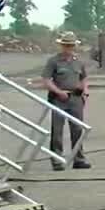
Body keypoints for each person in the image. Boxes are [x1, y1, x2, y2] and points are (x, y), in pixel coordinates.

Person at [41, 31, 92, 170]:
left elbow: (84, 78)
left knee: (77, 130)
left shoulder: (78, 62)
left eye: (71, 45)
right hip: (59, 99)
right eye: (66, 45)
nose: (68, 48)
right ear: (61, 46)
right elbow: (46, 80)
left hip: (76, 99)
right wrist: (58, 91)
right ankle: (57, 159)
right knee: (57, 131)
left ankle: (79, 158)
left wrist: (85, 90)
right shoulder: (54, 61)